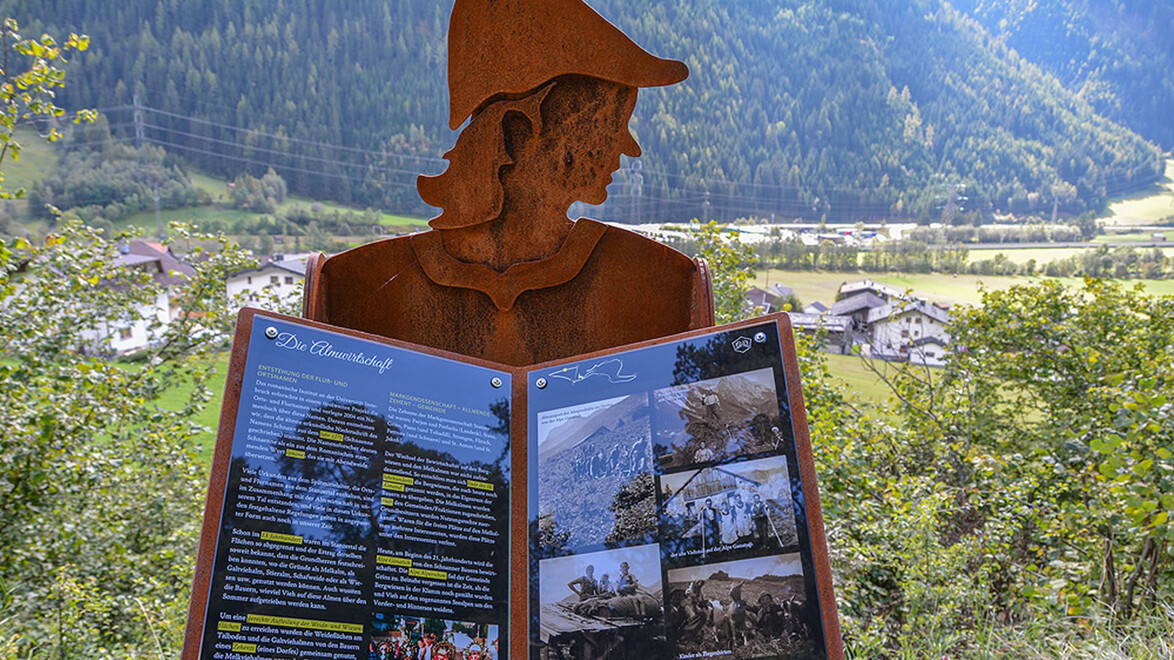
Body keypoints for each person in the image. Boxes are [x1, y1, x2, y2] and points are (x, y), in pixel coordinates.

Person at [303, 0, 713, 366]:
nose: (630, 147)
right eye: (611, 124)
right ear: (526, 127)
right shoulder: (657, 281)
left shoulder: (661, 280)